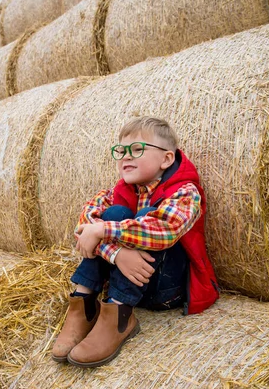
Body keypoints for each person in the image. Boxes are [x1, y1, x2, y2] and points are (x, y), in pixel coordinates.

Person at [51, 116, 219, 368]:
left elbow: (164, 229)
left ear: (166, 159)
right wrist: (117, 254)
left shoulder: (184, 192)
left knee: (138, 219)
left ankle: (119, 318)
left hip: (164, 290)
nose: (126, 156)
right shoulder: (116, 191)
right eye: (120, 151)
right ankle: (83, 306)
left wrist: (105, 232)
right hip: (125, 278)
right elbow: (85, 226)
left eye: (137, 149)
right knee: (113, 215)